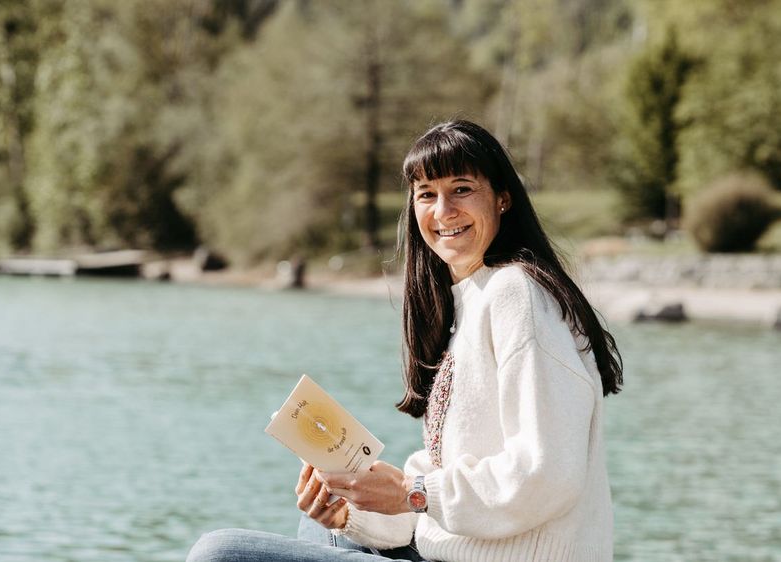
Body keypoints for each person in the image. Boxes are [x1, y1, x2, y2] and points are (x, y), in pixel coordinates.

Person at [187, 120, 623, 562]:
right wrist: (355, 508)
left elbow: (546, 475)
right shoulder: (467, 303)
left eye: (462, 189)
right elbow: (431, 503)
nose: (443, 211)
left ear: (503, 198)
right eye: (427, 194)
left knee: (218, 554)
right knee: (325, 527)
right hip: (450, 549)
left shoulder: (516, 294)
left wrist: (410, 492)